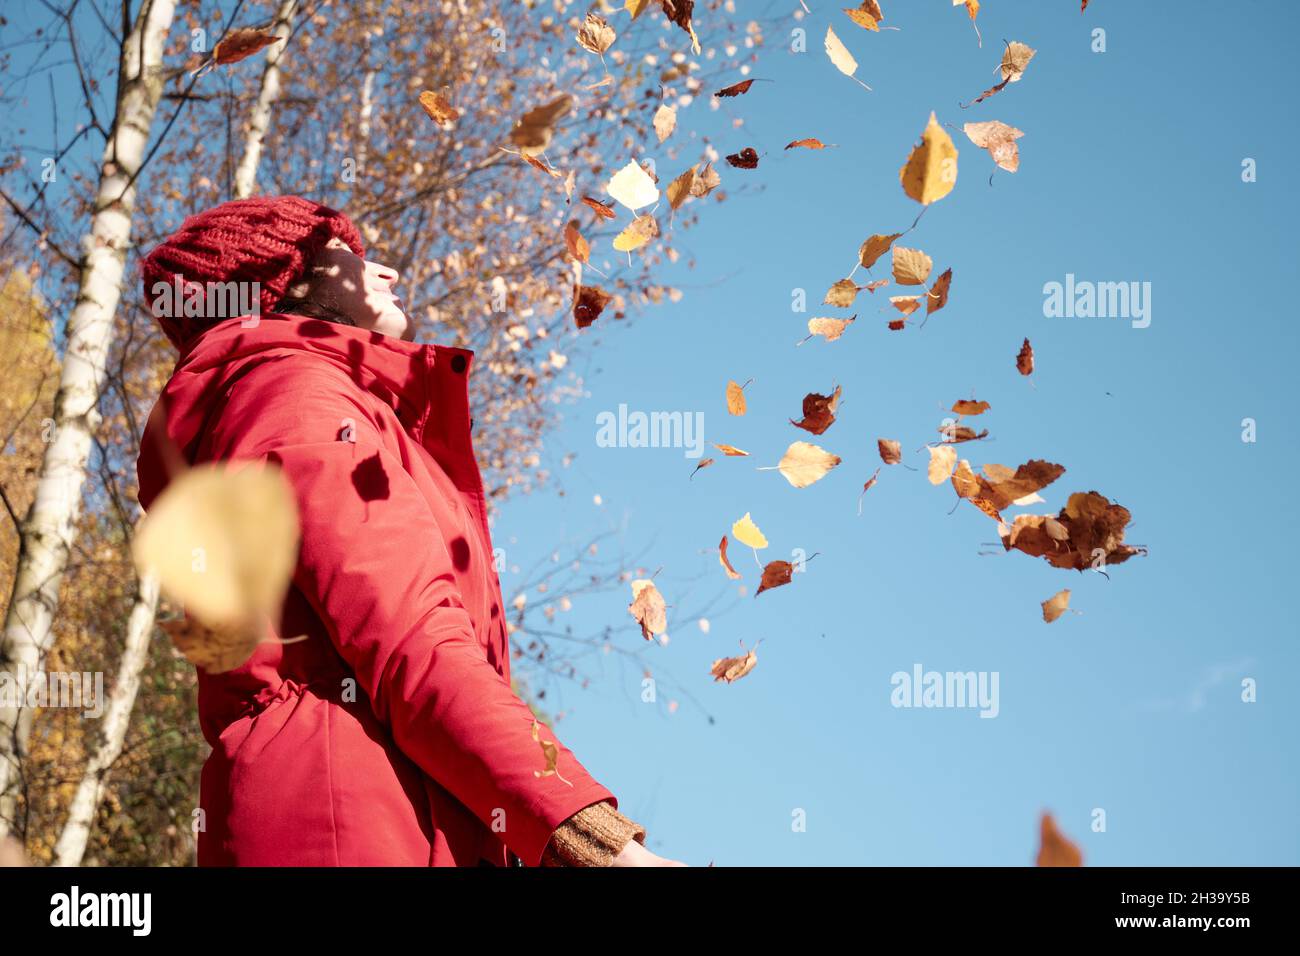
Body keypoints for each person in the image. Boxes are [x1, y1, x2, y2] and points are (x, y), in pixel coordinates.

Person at [136, 195, 685, 867]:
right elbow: (415, 648)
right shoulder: (301, 397)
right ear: (289, 281)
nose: (388, 272)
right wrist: (605, 846)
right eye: (350, 255)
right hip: (349, 831)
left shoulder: (283, 401)